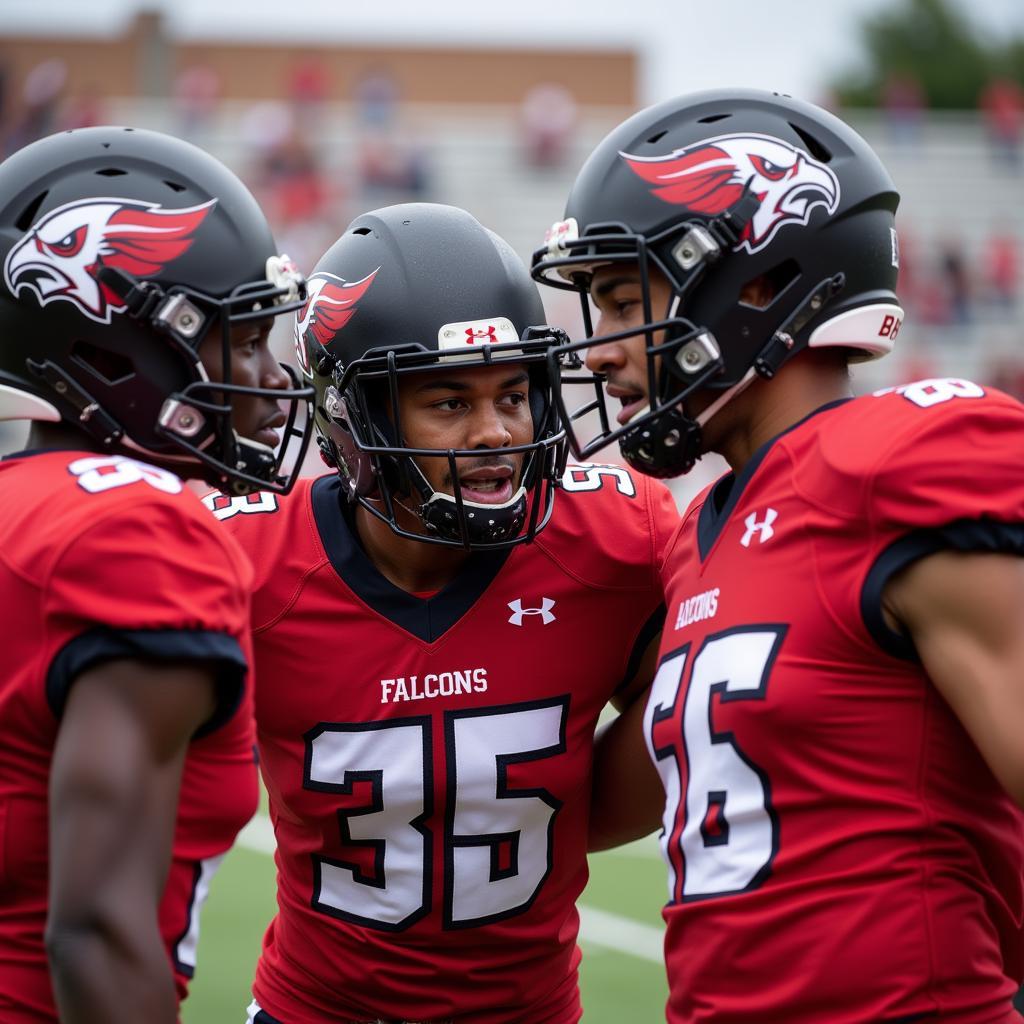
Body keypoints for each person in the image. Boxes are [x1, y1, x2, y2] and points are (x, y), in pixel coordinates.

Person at [532, 88, 1024, 1023]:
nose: (600, 354)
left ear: (758, 285)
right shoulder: (703, 531)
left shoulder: (905, 462)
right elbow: (611, 801)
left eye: (624, 300)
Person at [204, 202, 678, 1024]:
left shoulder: (616, 541)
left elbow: (688, 714)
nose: (497, 432)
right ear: (357, 418)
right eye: (450, 403)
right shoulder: (248, 562)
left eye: (514, 394)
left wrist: (556, 807)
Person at [0, 125, 313, 1023]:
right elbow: (96, 929)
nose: (264, 381)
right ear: (122, 345)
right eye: (240, 340)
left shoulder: (24, 503)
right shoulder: (142, 531)